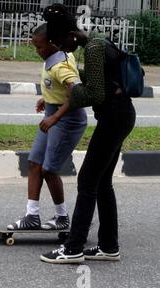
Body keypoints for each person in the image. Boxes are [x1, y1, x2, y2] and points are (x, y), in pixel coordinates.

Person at [39, 4, 136, 264]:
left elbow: (94, 94)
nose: (60, 48)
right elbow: (100, 84)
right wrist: (73, 83)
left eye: (60, 42)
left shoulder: (93, 49)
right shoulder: (95, 43)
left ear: (71, 34)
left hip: (114, 118)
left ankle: (73, 248)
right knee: (102, 182)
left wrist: (72, 89)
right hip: (119, 116)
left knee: (87, 181)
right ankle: (108, 246)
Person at [7, 24, 87, 231]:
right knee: (34, 162)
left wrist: (55, 117)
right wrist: (48, 98)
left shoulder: (61, 65)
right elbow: (58, 87)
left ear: (52, 44)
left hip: (68, 120)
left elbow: (78, 94)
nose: (37, 52)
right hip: (53, 114)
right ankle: (32, 215)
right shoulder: (53, 56)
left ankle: (62, 217)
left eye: (39, 47)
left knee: (49, 169)